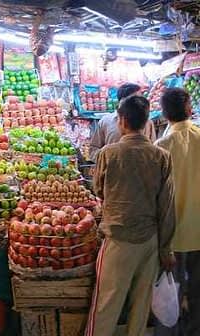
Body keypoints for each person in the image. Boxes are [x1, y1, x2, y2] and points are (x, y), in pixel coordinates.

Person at [85, 95, 176, 336]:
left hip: (118, 238)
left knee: (106, 306)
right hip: (150, 241)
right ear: (146, 122)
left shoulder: (108, 153)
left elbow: (98, 189)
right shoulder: (161, 156)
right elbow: (166, 205)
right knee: (140, 306)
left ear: (121, 121)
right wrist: (165, 248)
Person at [155, 88, 200, 336]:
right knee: (198, 291)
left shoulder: (161, 146)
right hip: (199, 231)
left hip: (172, 235)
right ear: (189, 109)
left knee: (170, 292)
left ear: (163, 114)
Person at [89, 83, 156, 162]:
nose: (139, 103)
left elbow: (153, 147)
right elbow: (94, 150)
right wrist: (108, 159)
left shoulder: (148, 122)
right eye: (135, 100)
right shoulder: (105, 121)